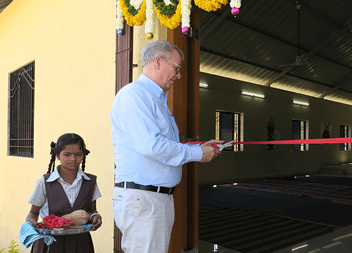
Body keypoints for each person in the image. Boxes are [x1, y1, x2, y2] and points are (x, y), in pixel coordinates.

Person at [110, 40, 223, 253]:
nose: (179, 75)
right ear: (159, 61)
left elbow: (165, 144)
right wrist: (197, 153)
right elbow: (151, 145)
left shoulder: (157, 99)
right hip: (144, 199)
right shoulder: (135, 95)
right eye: (177, 68)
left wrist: (199, 146)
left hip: (154, 199)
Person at [25, 133, 102, 253]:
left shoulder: (90, 182)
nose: (73, 159)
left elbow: (92, 210)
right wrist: (31, 222)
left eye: (78, 154)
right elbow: (33, 213)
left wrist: (95, 217)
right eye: (67, 154)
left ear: (83, 155)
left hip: (81, 244)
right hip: (50, 243)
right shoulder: (44, 182)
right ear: (58, 156)